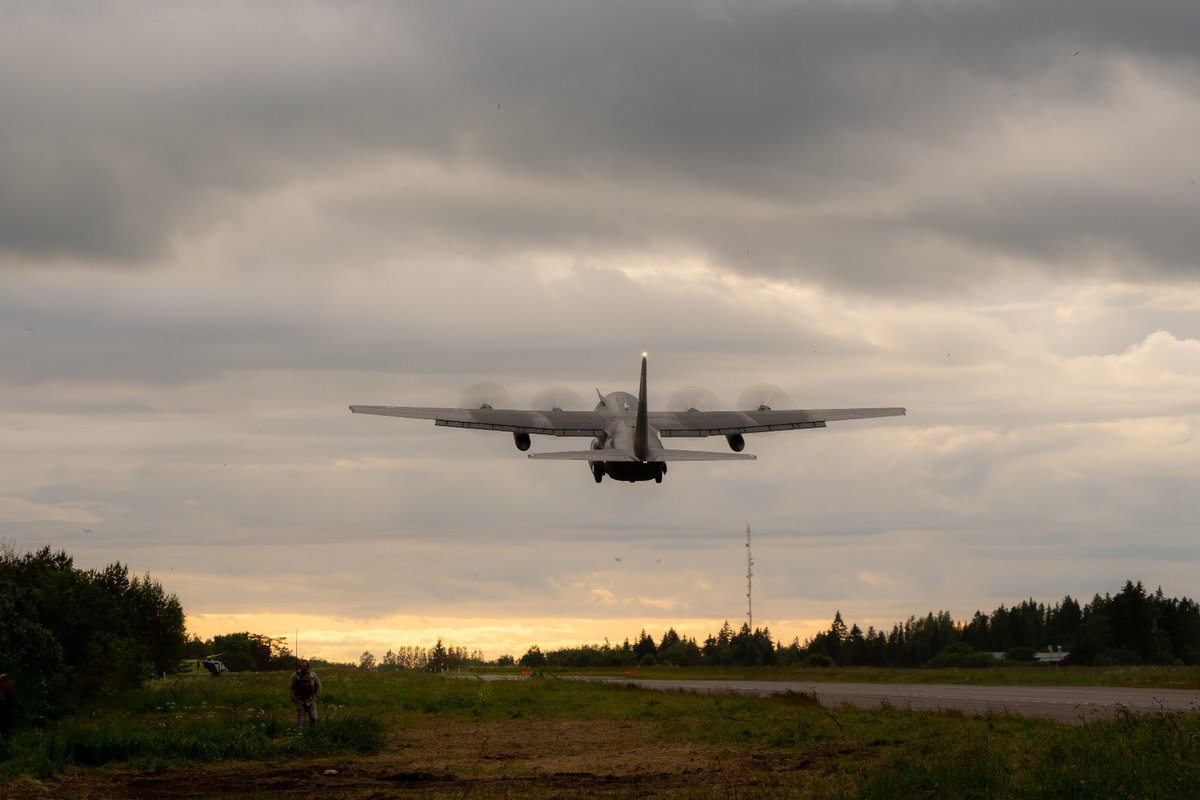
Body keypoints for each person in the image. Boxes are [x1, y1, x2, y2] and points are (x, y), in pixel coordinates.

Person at [288, 659, 321, 730]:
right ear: (299, 666)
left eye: (305, 666)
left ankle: (312, 732)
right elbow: (290, 688)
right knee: (301, 722)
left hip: (311, 699)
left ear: (308, 666)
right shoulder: (294, 676)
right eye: (302, 666)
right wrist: (294, 699)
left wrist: (316, 696)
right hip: (300, 700)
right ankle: (300, 736)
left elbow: (319, 685)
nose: (303, 667)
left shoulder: (313, 675)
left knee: (314, 718)